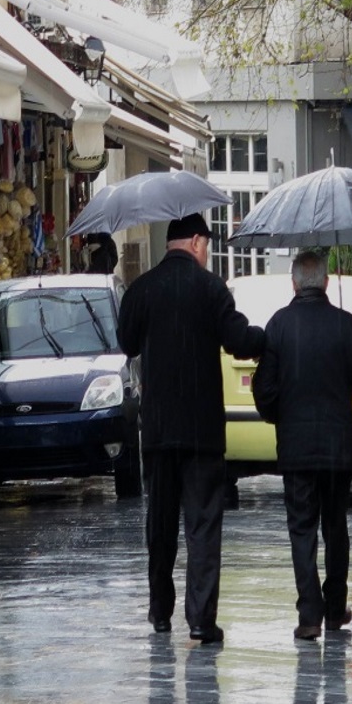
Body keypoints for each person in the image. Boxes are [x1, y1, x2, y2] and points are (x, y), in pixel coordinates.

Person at [116, 212, 265, 644]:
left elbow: (126, 342)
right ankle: (201, 619)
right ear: (197, 242)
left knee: (159, 524)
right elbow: (239, 339)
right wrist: (267, 338)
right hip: (202, 432)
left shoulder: (142, 289)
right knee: (202, 526)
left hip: (158, 430)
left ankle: (161, 612)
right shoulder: (211, 289)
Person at [251, 252, 352, 641]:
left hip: (296, 447)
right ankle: (336, 609)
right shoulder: (347, 325)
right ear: (325, 282)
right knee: (335, 528)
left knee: (302, 529)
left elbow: (265, 390)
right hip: (338, 448)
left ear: (294, 283)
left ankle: (310, 614)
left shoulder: (278, 326)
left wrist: (279, 418)